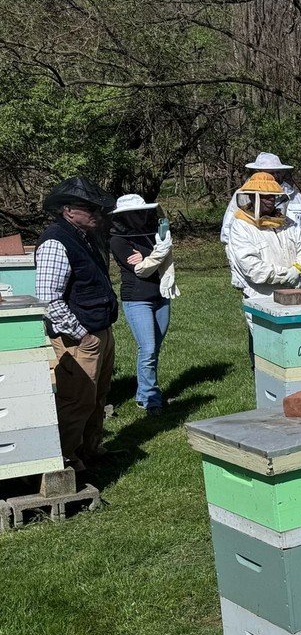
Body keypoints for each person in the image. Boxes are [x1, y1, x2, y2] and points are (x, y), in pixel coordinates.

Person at [36, 177, 118, 473]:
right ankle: (65, 459)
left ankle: (89, 450)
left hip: (99, 331)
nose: (96, 214)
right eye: (89, 209)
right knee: (77, 400)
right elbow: (48, 299)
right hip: (78, 338)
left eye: (98, 209)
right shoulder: (56, 241)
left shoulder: (81, 236)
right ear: (68, 210)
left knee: (97, 397)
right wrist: (82, 335)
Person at [108, 194, 178, 414]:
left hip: (160, 295)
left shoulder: (152, 235)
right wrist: (158, 252)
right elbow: (142, 269)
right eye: (134, 213)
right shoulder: (118, 241)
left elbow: (155, 260)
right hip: (137, 298)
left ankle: (144, 392)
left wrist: (150, 255)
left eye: (141, 212)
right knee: (147, 349)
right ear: (124, 217)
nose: (139, 216)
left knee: (154, 349)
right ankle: (150, 399)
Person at [225, 171, 301, 303]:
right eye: (265, 196)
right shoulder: (241, 226)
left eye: (273, 196)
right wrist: (285, 275)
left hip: (294, 292)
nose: (271, 200)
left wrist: (298, 268)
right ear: (252, 197)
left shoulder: (287, 223)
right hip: (261, 296)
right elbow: (252, 267)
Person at [220, 152, 301, 249]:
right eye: (270, 173)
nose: (275, 176)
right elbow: (227, 233)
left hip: (295, 258)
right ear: (258, 172)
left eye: (278, 172)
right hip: (258, 258)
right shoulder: (243, 195)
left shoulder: (295, 196)